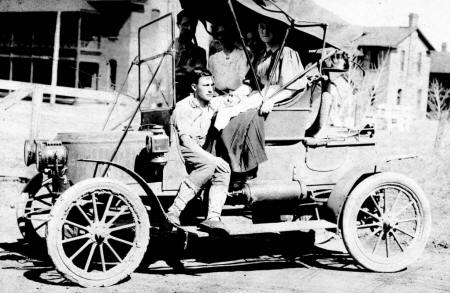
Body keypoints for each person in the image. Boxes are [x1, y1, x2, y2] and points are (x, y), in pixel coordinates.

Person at [167, 69, 241, 235]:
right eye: (205, 85)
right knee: (209, 165)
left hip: (200, 150)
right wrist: (211, 158)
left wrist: (241, 95)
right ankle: (174, 211)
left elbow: (233, 100)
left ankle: (213, 218)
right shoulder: (183, 107)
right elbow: (186, 141)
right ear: (194, 87)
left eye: (212, 85)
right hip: (182, 150)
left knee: (224, 168)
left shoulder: (212, 103)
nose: (210, 89)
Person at [233, 19, 307, 115]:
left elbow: (291, 87)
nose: (265, 31)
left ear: (277, 30)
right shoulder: (261, 55)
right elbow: (252, 83)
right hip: (258, 97)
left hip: (276, 102)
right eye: (262, 28)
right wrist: (237, 93)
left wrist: (271, 100)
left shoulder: (286, 52)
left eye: (270, 28)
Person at [175, 10, 207, 101]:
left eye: (193, 25)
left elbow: (201, 76)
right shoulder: (169, 49)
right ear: (178, 25)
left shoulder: (200, 52)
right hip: (170, 99)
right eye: (185, 24)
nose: (189, 28)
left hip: (192, 99)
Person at [208, 24, 249, 93]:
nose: (223, 37)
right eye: (220, 34)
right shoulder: (213, 59)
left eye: (226, 34)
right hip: (217, 97)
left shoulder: (243, 55)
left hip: (239, 95)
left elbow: (244, 79)